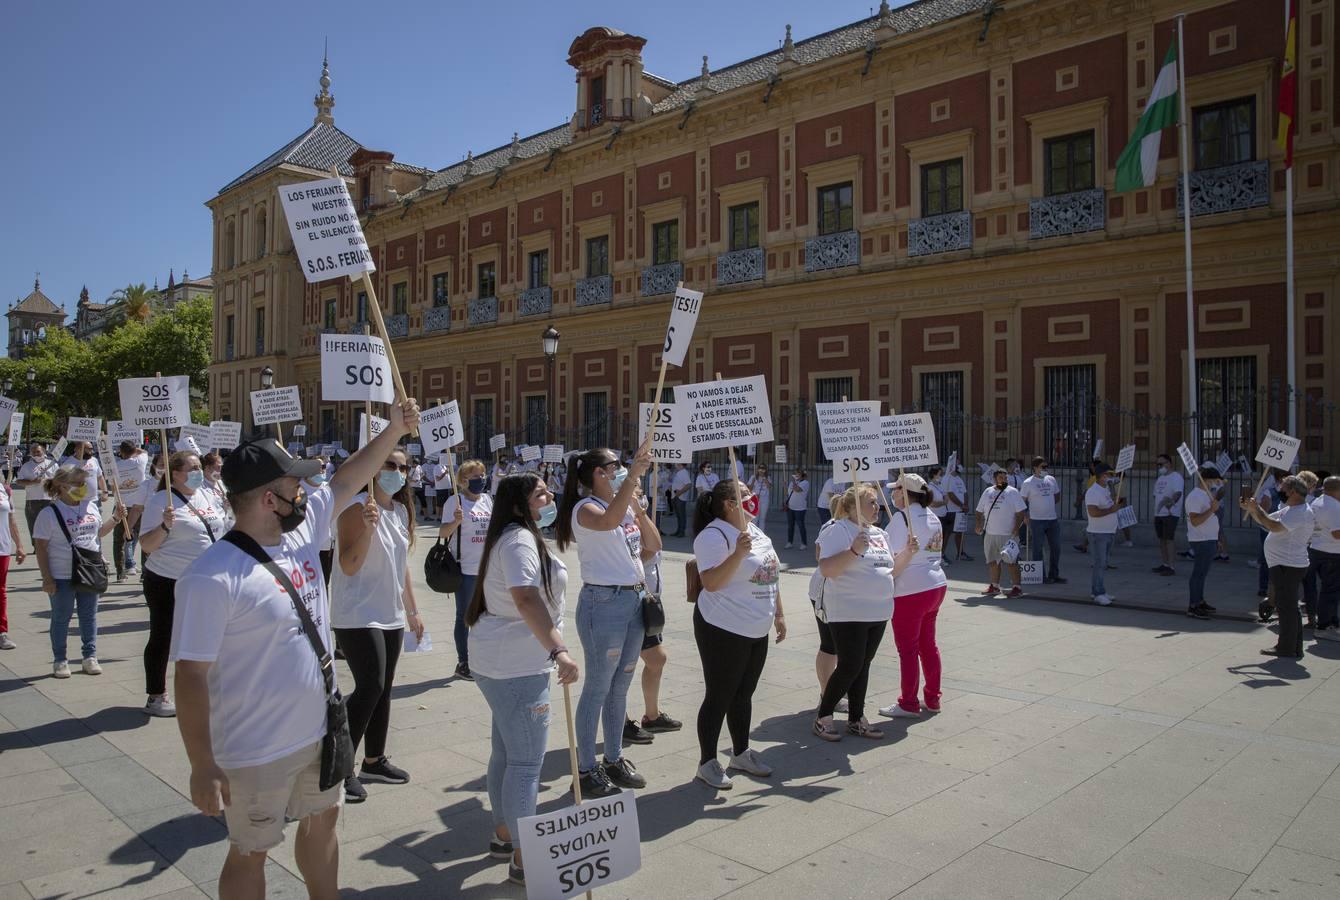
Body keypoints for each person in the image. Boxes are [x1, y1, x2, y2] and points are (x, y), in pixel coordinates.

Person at [170, 397, 420, 900]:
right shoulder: (211, 577)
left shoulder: (302, 529)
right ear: (268, 499)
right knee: (250, 851)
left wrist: (393, 431)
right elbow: (190, 676)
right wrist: (201, 763)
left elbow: (350, 476)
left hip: (320, 729)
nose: (306, 493)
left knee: (325, 823)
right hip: (254, 747)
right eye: (294, 487)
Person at [466, 473, 577, 887]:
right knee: (527, 762)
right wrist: (558, 650)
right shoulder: (518, 540)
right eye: (541, 493)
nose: (550, 496)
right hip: (517, 663)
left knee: (506, 751)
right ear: (519, 504)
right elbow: (525, 596)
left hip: (502, 659)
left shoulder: (516, 536)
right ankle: (523, 856)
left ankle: (504, 832)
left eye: (549, 490)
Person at [555, 444, 660, 798]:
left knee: (621, 685)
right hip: (603, 603)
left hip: (632, 599)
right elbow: (608, 522)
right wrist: (631, 481)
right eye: (616, 466)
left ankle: (614, 758)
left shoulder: (623, 506)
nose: (623, 470)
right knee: (598, 687)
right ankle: (585, 768)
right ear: (599, 474)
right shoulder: (585, 508)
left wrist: (640, 512)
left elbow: (651, 546)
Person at [331, 445, 425, 803]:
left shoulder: (399, 510)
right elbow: (349, 564)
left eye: (404, 467)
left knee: (384, 688)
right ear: (372, 468)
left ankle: (374, 758)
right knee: (369, 686)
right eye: (390, 464)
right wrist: (368, 531)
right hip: (357, 613)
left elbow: (401, 566)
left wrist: (413, 610)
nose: (398, 472)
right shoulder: (356, 508)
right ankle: (341, 769)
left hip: (389, 613)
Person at [691, 479, 784, 789]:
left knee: (743, 695)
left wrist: (779, 613)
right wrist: (737, 555)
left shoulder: (755, 530)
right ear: (729, 504)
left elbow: (771, 573)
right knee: (719, 695)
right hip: (723, 626)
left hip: (756, 626)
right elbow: (712, 582)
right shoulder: (714, 535)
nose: (753, 496)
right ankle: (707, 762)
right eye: (745, 494)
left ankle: (741, 753)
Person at [138, 450, 230, 716]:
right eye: (191, 468)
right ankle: (156, 695)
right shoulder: (160, 501)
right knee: (163, 637)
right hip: (168, 581)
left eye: (199, 467)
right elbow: (146, 546)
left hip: (205, 582)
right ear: (175, 474)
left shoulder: (205, 494)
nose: (198, 472)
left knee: (208, 636)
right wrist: (165, 526)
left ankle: (207, 689)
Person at [812, 485, 894, 741]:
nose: (877, 506)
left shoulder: (880, 533)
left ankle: (857, 718)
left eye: (877, 501)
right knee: (849, 665)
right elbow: (826, 568)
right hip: (848, 610)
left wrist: (909, 555)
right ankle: (824, 716)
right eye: (871, 502)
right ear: (852, 507)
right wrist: (854, 551)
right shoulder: (839, 530)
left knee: (863, 665)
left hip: (878, 611)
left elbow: (889, 568)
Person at [33, 464, 126, 678]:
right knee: (61, 617)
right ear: (62, 486)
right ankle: (60, 660)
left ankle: (89, 656)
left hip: (89, 570)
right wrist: (47, 578)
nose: (83, 486)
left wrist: (116, 519)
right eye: (78, 483)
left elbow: (98, 533)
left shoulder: (90, 506)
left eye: (84, 482)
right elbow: (41, 547)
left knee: (89, 616)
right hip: (62, 574)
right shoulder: (49, 513)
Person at [879, 474, 947, 719]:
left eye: (896, 490)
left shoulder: (901, 518)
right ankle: (933, 697)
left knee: (908, 649)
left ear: (905, 493)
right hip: (936, 584)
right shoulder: (933, 516)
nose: (892, 494)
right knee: (928, 645)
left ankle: (908, 702)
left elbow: (888, 555)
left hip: (911, 588)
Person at [625, 482, 681, 744]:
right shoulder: (621, 518)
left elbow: (654, 544)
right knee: (622, 667)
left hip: (649, 599)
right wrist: (642, 519)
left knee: (656, 659)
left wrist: (644, 517)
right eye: (634, 487)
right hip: (630, 597)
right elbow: (645, 552)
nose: (640, 492)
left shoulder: (638, 516)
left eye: (640, 488)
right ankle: (621, 721)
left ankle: (652, 714)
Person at [1243, 474, 1315, 659]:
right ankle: (1293, 647)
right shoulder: (1290, 509)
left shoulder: (1299, 512)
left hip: (1288, 565)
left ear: (1293, 491)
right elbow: (1266, 520)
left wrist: (1256, 510)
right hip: (1284, 565)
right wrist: (1253, 509)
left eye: (1282, 489)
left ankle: (1286, 648)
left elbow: (1274, 526)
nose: (1279, 491)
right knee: (1289, 606)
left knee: (1286, 607)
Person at [438, 459, 493, 681]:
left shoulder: (488, 500)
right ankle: (464, 662)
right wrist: (455, 522)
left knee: (486, 615)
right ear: (462, 480)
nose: (480, 480)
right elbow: (443, 533)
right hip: (465, 568)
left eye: (482, 475)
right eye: (475, 476)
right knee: (464, 616)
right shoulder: (455, 501)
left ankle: (480, 657)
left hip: (487, 568)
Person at [809, 497, 848, 714]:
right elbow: (819, 555)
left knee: (840, 647)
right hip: (824, 591)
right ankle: (826, 693)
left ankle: (835, 692)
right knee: (830, 645)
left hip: (842, 593)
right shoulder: (832, 526)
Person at [974, 467, 1028, 597]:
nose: (1004, 480)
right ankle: (995, 586)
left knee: (1011, 562)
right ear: (994, 479)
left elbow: (1021, 512)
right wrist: (978, 524)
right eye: (1001, 478)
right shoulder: (987, 492)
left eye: (1005, 478)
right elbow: (978, 511)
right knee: (992, 561)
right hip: (990, 534)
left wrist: (1016, 528)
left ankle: (1017, 587)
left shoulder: (1013, 492)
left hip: (1008, 535)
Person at [1184, 467, 1222, 620]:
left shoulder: (1206, 494)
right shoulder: (1195, 496)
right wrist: (1212, 510)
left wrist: (1216, 538)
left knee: (1202, 573)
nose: (1217, 484)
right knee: (1198, 573)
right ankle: (1193, 605)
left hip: (1209, 539)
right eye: (1215, 480)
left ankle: (1199, 600)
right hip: (1201, 540)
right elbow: (1195, 521)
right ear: (1207, 480)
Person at [111, 441, 150, 582]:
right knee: (143, 538)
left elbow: (112, 486)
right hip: (138, 506)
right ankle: (145, 573)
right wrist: (135, 449)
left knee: (119, 540)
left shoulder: (115, 465)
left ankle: (120, 572)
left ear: (121, 452)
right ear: (134, 451)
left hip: (121, 505)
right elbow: (144, 452)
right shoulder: (140, 461)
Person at [1021, 456, 1064, 583]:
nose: (1046, 469)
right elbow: (1021, 501)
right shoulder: (1028, 483)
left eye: (1046, 467)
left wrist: (1047, 504)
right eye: (1043, 467)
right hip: (1036, 520)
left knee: (1056, 547)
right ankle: (1041, 576)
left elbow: (1057, 496)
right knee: (1037, 549)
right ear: (1035, 468)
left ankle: (1054, 574)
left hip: (1052, 519)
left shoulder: (1051, 479)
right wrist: (1025, 516)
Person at [1309, 476, 1340, 641]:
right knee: (1330, 591)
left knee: (1329, 590)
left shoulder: (1318, 501)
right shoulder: (1334, 507)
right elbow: (1337, 534)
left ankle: (1331, 623)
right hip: (1332, 553)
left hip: (1318, 549)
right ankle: (1324, 626)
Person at [1085, 463, 1119, 606]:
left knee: (1102, 563)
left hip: (1108, 532)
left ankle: (1099, 590)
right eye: (1108, 475)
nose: (1110, 477)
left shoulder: (1105, 490)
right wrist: (1111, 510)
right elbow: (1093, 512)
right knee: (1099, 564)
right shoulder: (1093, 492)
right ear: (1101, 476)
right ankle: (1098, 593)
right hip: (1098, 533)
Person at [0, 479, 26, 650]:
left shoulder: (5, 489)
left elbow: (11, 518)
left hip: (2, 548)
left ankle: (1, 632)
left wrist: (19, 545)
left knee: (0, 591)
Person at [1152, 452, 1184, 576]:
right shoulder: (1160, 478)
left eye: (1161, 464)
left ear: (1169, 463)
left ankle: (1171, 566)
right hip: (1159, 513)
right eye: (1158, 464)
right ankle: (1165, 563)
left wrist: (1171, 503)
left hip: (1170, 513)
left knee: (1169, 539)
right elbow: (1156, 495)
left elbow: (1178, 493)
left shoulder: (1176, 477)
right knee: (1162, 539)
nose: (1160, 466)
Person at [15, 443, 57, 535]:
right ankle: (36, 547)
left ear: (43, 451)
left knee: (50, 525)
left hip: (49, 499)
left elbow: (59, 480)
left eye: (38, 451)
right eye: (33, 452)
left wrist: (49, 481)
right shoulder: (26, 466)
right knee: (33, 525)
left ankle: (49, 547)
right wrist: (33, 482)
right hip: (32, 500)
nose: (36, 454)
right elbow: (19, 482)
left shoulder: (52, 464)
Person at [945, 463, 971, 561]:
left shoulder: (958, 478)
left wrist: (966, 505)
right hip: (951, 510)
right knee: (947, 533)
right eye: (958, 464)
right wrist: (961, 505)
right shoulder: (948, 479)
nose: (960, 466)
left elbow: (965, 492)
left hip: (960, 510)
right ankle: (942, 554)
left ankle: (960, 553)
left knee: (960, 532)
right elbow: (950, 494)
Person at [785, 468, 810, 549]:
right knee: (790, 526)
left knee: (801, 526)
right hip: (791, 507)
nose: (796, 475)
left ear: (802, 475)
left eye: (798, 474)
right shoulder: (792, 483)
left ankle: (804, 543)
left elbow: (797, 489)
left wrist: (793, 481)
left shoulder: (805, 483)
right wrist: (785, 486)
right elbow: (788, 493)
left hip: (800, 509)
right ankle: (789, 542)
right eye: (795, 473)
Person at [747, 464, 772, 532]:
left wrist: (765, 479)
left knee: (762, 518)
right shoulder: (753, 477)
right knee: (755, 518)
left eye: (763, 469)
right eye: (760, 469)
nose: (761, 471)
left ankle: (761, 534)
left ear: (765, 470)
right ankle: (754, 534)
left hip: (764, 500)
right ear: (757, 470)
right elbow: (749, 489)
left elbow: (770, 487)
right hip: (755, 499)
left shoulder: (768, 477)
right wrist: (752, 481)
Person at [670, 463, 692, 537]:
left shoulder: (684, 472)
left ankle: (682, 531)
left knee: (681, 515)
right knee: (678, 515)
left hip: (680, 497)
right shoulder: (679, 472)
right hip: (676, 496)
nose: (675, 464)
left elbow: (688, 484)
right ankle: (678, 530)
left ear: (680, 465)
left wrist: (680, 492)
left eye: (677, 463)